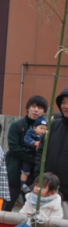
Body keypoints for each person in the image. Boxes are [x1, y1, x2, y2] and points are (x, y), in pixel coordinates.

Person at [6, 95, 48, 211]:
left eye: (39, 108)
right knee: (5, 208)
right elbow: (14, 148)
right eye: (33, 106)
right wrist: (35, 160)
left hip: (34, 178)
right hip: (14, 174)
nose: (36, 110)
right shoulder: (17, 126)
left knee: (31, 211)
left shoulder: (47, 130)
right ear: (27, 108)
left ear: (44, 111)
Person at [36, 87, 68, 216]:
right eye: (63, 102)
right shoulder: (54, 126)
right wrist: (39, 177)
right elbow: (40, 152)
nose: (66, 106)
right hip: (48, 192)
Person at [20, 116, 48, 189]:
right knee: (25, 171)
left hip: (37, 158)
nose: (43, 131)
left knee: (36, 173)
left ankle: (35, 185)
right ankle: (22, 184)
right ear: (34, 128)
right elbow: (27, 140)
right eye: (41, 128)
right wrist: (34, 143)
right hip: (28, 155)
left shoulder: (45, 136)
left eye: (45, 129)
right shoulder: (30, 133)